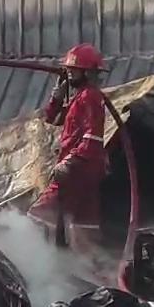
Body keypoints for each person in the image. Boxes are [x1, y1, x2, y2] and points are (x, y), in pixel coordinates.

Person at [28, 44, 108, 259]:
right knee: (83, 225)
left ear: (88, 72)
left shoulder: (90, 97)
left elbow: (93, 137)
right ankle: (93, 270)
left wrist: (69, 162)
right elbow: (53, 119)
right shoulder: (80, 98)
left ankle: (36, 260)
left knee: (40, 215)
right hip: (87, 168)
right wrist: (57, 96)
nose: (69, 74)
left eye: (73, 70)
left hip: (79, 169)